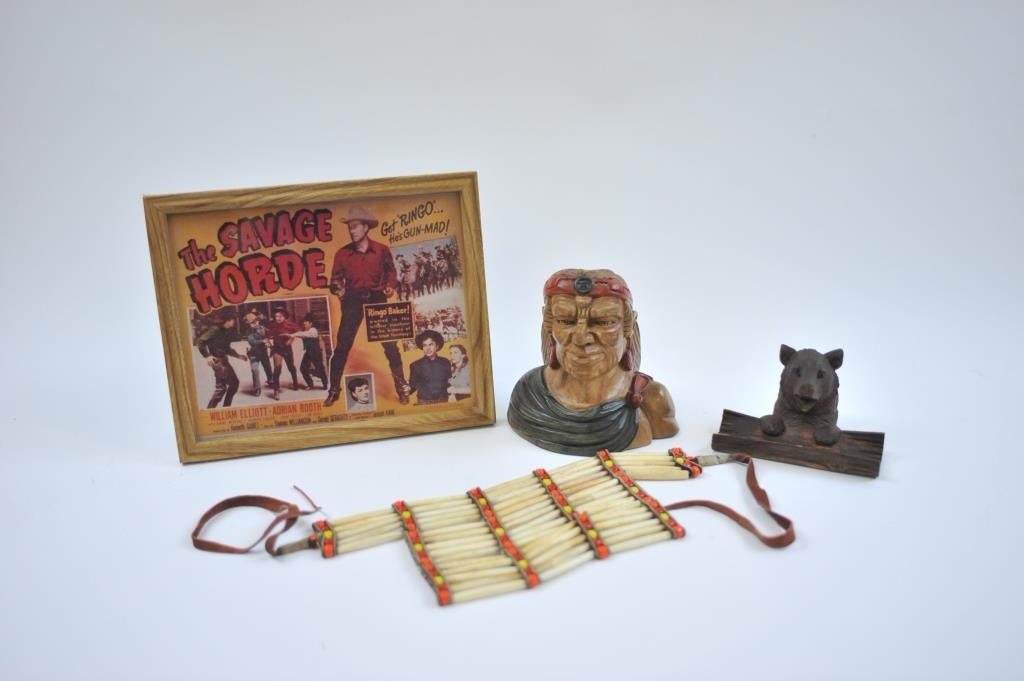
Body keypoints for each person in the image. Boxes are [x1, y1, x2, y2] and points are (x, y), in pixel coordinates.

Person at [507, 269, 678, 455]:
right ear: (549, 325)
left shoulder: (653, 400)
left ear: (627, 327)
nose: (581, 338)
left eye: (604, 323)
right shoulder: (528, 395)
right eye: (565, 321)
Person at [324, 205, 409, 408]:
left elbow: (391, 273)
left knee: (390, 345)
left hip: (377, 299)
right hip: (352, 301)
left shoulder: (381, 250)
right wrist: (338, 289)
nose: (351, 230)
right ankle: (334, 390)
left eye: (355, 226)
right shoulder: (342, 254)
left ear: (366, 227)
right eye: (349, 227)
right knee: (342, 347)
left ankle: (401, 388)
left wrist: (390, 286)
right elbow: (335, 279)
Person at [194, 312, 247, 409]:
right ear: (228, 321)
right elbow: (200, 341)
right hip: (218, 362)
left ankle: (225, 408)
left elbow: (227, 349)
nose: (234, 322)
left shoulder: (226, 331)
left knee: (232, 384)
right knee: (222, 388)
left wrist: (238, 356)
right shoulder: (215, 329)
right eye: (233, 320)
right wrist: (207, 356)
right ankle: (211, 410)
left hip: (224, 361)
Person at [405, 330, 449, 405]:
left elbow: (450, 381)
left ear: (437, 346)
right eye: (425, 345)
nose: (427, 348)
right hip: (424, 402)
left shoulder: (445, 362)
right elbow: (413, 386)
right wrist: (407, 390)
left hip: (444, 400)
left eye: (431, 344)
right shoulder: (415, 365)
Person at [266, 308, 300, 397]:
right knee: (277, 369)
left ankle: (295, 383)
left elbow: (298, 332)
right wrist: (269, 343)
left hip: (287, 349)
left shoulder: (290, 324)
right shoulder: (272, 325)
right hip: (277, 349)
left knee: (291, 367)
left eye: (280, 316)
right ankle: (276, 390)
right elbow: (267, 337)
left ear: (284, 317)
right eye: (276, 316)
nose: (277, 318)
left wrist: (291, 339)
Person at [290, 313, 328, 390]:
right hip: (308, 352)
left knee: (319, 368)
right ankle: (310, 384)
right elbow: (301, 334)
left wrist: (294, 335)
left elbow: (305, 334)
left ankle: (325, 384)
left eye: (306, 322)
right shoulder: (304, 330)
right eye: (304, 321)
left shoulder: (313, 330)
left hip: (315, 352)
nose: (304, 323)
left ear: (311, 323)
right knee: (303, 368)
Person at [243, 309, 273, 396]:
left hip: (263, 352)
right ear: (249, 324)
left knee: (267, 367)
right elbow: (252, 341)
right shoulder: (248, 331)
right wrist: (262, 341)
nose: (255, 324)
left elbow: (269, 333)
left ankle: (271, 380)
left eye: (256, 321)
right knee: (254, 370)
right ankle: (257, 388)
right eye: (252, 323)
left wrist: (269, 340)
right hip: (254, 353)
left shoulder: (263, 328)